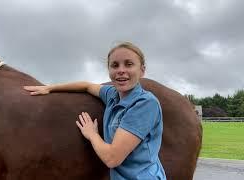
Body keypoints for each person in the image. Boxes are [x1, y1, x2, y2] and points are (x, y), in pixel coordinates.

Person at [23, 42, 166, 179]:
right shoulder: (112, 94)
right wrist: (49, 88)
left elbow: (112, 158)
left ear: (142, 70)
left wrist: (92, 134)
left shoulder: (145, 104)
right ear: (109, 70)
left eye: (129, 64)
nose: (121, 70)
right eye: (115, 65)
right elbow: (86, 86)